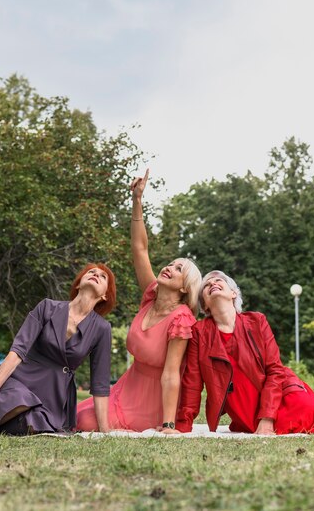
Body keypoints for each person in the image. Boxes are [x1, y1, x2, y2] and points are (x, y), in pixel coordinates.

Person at [77, 170, 202, 433]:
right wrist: (137, 201)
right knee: (71, 411)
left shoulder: (181, 320)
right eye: (170, 263)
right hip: (126, 388)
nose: (169, 267)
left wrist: (168, 424)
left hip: (153, 403)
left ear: (184, 288)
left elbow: (171, 374)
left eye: (179, 269)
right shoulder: (151, 295)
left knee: (85, 421)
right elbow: (140, 249)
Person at [0, 264, 116, 438]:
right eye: (91, 272)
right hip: (14, 380)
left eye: (103, 276)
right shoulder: (47, 307)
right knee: (19, 397)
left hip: (51, 395)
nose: (95, 274)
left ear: (105, 296)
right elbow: (18, 350)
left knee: (35, 422)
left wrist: (104, 429)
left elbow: (99, 383)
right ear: (78, 283)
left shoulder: (102, 328)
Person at [175, 270, 314, 435]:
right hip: (244, 409)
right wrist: (183, 426)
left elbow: (275, 370)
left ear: (233, 293)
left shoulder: (257, 321)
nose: (212, 282)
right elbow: (192, 382)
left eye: (219, 280)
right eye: (206, 285)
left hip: (282, 396)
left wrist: (267, 417)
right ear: (205, 305)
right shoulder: (199, 331)